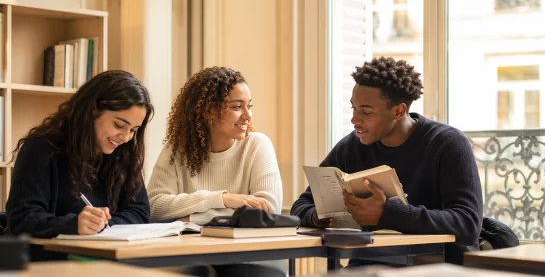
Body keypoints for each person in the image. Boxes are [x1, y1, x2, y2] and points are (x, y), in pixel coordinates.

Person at [290, 57, 483, 265]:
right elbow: (300, 205)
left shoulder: (448, 143)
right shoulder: (351, 147)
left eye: (366, 112)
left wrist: (387, 213)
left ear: (398, 111)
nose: (355, 119)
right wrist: (318, 216)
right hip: (368, 268)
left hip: (436, 267)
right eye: (353, 109)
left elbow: (468, 223)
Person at [147, 66, 284, 277]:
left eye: (249, 106)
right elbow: (155, 206)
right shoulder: (176, 150)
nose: (248, 115)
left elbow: (267, 210)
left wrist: (189, 218)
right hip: (188, 252)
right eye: (237, 106)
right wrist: (223, 199)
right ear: (208, 111)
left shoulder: (257, 145)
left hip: (244, 253)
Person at [6, 70, 154, 256]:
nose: (125, 137)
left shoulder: (123, 153)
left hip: (106, 259)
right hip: (52, 264)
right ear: (93, 111)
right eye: (118, 125)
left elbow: (140, 212)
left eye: (133, 130)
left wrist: (102, 225)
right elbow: (21, 219)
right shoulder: (41, 148)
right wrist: (73, 224)